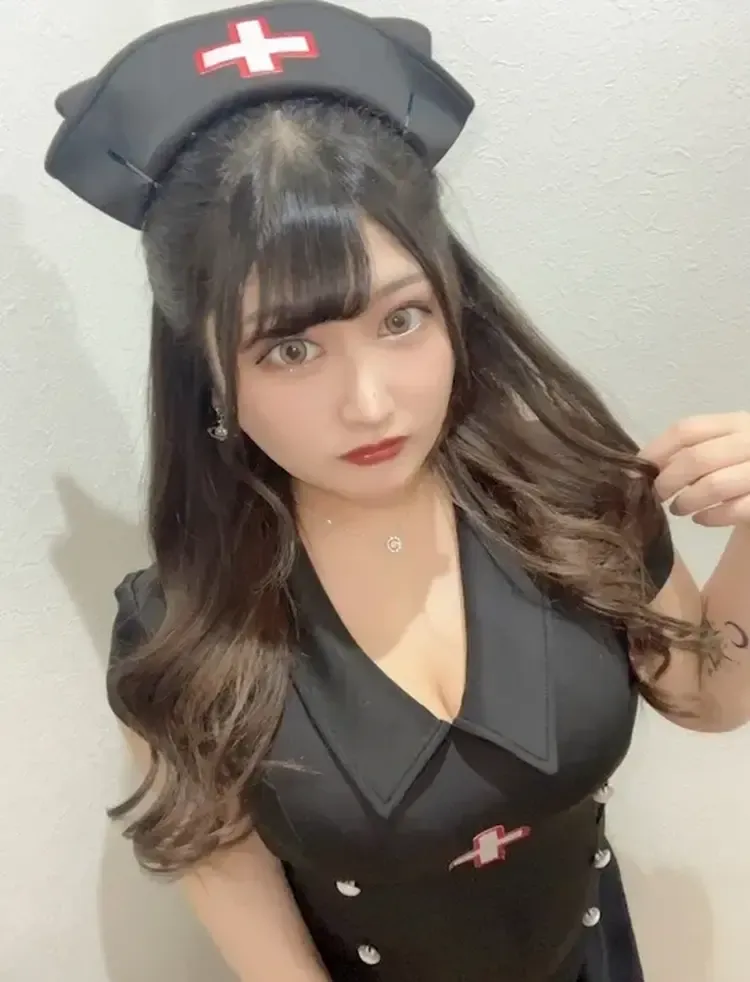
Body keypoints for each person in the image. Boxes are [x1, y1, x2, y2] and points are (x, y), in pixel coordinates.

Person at [45, 3, 750, 980]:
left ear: (455, 305)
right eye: (290, 349)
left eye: (402, 319)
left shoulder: (576, 500)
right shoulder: (181, 630)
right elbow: (229, 872)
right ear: (206, 372)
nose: (370, 403)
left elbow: (712, 700)